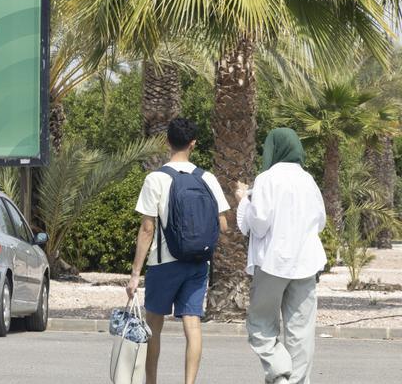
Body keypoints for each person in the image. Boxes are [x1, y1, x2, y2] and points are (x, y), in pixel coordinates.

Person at [127, 118, 230, 384]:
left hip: (163, 264)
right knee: (192, 325)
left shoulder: (156, 179)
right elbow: (223, 224)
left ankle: (151, 381)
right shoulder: (207, 178)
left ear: (167, 142)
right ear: (193, 143)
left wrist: (135, 274)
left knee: (154, 326)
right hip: (198, 262)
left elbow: (147, 228)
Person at [236, 128, 326, 384]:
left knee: (260, 325)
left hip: (272, 263)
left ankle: (280, 375)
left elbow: (259, 223)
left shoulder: (267, 179)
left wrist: (244, 200)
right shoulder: (308, 180)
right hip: (306, 263)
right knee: (301, 331)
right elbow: (320, 222)